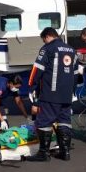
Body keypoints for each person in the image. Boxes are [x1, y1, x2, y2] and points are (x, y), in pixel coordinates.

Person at [26, 27, 76, 161]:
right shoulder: (71, 50)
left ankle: (43, 153)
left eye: (44, 39)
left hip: (51, 93)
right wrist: (73, 91)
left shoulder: (47, 48)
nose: (44, 42)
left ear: (48, 36)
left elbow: (37, 69)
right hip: (67, 95)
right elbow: (75, 73)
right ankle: (65, 152)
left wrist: (31, 87)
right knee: (64, 121)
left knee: (43, 122)